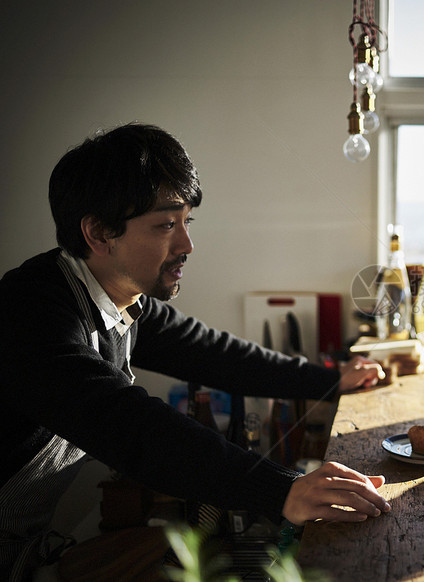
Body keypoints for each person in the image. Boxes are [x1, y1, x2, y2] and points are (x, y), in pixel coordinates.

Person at [0, 123, 390, 578]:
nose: (187, 244)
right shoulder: (29, 312)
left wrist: (328, 379)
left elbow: (216, 354)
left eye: (187, 221)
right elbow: (127, 424)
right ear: (99, 233)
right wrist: (282, 491)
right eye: (166, 224)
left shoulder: (122, 299)